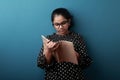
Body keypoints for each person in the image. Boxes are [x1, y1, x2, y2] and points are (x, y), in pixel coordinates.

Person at [37, 8, 92, 80]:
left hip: (74, 76)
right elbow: (41, 64)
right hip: (53, 77)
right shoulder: (49, 39)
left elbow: (87, 62)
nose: (60, 27)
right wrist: (49, 51)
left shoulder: (77, 37)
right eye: (57, 24)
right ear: (53, 24)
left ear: (69, 21)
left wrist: (74, 54)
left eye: (63, 23)